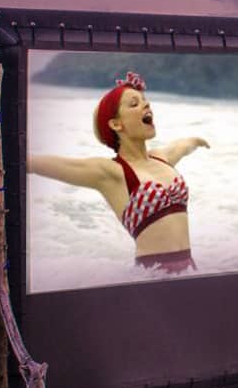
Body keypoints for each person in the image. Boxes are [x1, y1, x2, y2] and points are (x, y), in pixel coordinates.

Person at [28, 70, 208, 275]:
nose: (146, 105)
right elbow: (58, 165)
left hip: (190, 271)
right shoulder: (112, 172)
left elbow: (180, 146)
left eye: (145, 101)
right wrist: (23, 162)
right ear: (116, 124)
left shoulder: (161, 158)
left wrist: (195, 141)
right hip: (152, 277)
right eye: (134, 103)